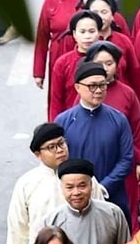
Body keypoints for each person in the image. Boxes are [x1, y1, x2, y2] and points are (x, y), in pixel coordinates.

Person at [55, 58, 135, 204]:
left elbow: (126, 158)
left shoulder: (118, 119)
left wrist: (104, 187)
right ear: (78, 87)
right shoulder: (63, 121)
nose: (98, 91)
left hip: (111, 195)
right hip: (75, 196)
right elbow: (57, 159)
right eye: (92, 86)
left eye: (102, 85)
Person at [4, 125, 70, 244]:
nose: (59, 150)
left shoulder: (81, 178)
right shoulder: (27, 183)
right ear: (38, 154)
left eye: (61, 143)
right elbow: (16, 229)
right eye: (51, 147)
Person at [32, 0, 89, 85]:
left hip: (87, 58)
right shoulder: (51, 1)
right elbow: (42, 37)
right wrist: (38, 72)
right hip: (59, 58)